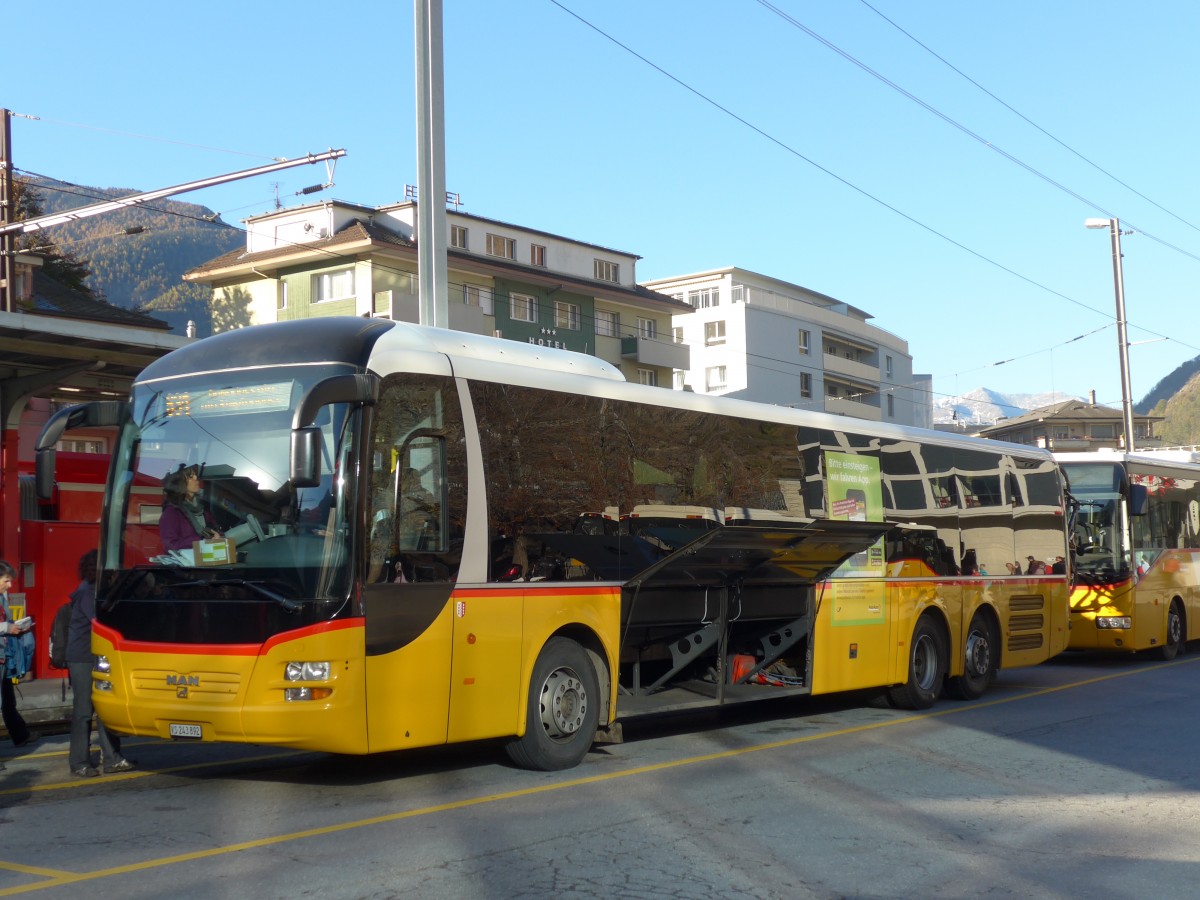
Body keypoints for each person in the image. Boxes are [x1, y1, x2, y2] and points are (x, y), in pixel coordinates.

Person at [67, 550, 135, 777]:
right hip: (84, 658)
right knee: (84, 711)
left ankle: (112, 758)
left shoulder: (92, 591)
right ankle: (79, 763)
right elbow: (100, 621)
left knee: (105, 706)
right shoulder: (88, 593)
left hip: (95, 656)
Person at [0, 559, 37, 756]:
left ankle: (20, 734)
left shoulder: (2, 598)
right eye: (6, 580)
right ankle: (20, 735)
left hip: (4, 656)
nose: (10, 585)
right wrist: (7, 628)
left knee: (7, 699)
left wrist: (17, 625)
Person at [159, 464, 222, 551]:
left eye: (195, 475)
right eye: (191, 477)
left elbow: (215, 529)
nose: (196, 479)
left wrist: (217, 536)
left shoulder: (203, 508)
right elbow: (170, 545)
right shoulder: (171, 512)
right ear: (180, 483)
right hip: (189, 562)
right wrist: (201, 541)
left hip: (209, 557)